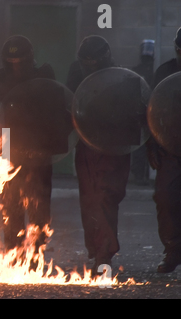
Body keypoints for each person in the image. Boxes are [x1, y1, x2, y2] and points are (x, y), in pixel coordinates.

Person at [66, 35, 130, 274]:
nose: (89, 67)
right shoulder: (76, 71)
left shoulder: (120, 76)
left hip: (113, 147)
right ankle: (96, 249)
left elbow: (135, 112)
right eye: (86, 63)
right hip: (87, 143)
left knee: (105, 195)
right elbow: (69, 101)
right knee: (89, 198)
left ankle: (104, 255)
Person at [0, 35, 56, 270]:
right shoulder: (2, 76)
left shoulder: (46, 73)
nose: (16, 66)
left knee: (39, 209)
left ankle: (36, 258)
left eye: (21, 62)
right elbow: (6, 94)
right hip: (12, 150)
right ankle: (14, 257)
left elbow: (48, 96)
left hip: (40, 150)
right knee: (12, 207)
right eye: (12, 62)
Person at [147, 28, 181, 273]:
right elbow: (152, 110)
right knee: (165, 197)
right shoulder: (165, 72)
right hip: (170, 146)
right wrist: (152, 143)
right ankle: (172, 250)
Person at [130, 39, 154, 186]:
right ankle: (141, 174)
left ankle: (142, 174)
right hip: (142, 114)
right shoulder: (142, 71)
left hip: (147, 114)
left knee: (143, 146)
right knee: (141, 146)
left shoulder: (152, 71)